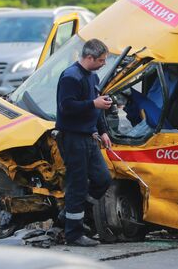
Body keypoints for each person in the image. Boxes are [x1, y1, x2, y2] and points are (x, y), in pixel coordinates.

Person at [55, 38, 113, 247]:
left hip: (90, 137)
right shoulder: (71, 77)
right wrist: (93, 103)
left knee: (103, 179)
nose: (103, 63)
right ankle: (74, 235)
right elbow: (66, 107)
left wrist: (103, 131)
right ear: (89, 57)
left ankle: (70, 214)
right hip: (72, 138)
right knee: (77, 186)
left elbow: (95, 109)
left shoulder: (92, 76)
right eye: (101, 60)